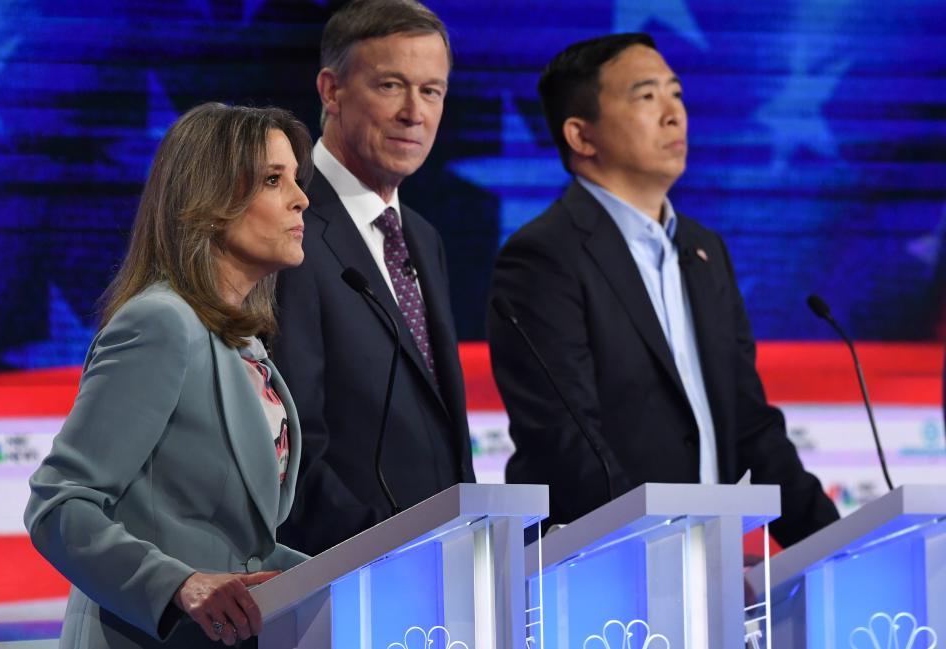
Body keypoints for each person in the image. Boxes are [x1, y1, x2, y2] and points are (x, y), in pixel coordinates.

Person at [486, 34, 839, 547]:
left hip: (699, 568)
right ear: (582, 136)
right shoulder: (544, 256)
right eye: (646, 97)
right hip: (598, 576)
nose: (674, 114)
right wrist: (665, 553)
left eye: (676, 93)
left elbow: (750, 429)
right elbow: (565, 442)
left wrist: (834, 547)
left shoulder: (704, 250)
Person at [24, 102, 313, 648]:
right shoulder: (160, 323)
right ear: (210, 203)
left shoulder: (241, 344)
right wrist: (178, 584)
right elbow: (58, 503)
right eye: (274, 180)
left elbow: (238, 543)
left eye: (296, 179)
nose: (301, 198)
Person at [274, 0, 475, 556]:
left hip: (443, 578)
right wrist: (386, 554)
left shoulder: (423, 237)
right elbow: (290, 448)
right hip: (349, 578)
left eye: (432, 91)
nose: (415, 112)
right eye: (391, 85)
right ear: (331, 91)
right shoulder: (287, 225)